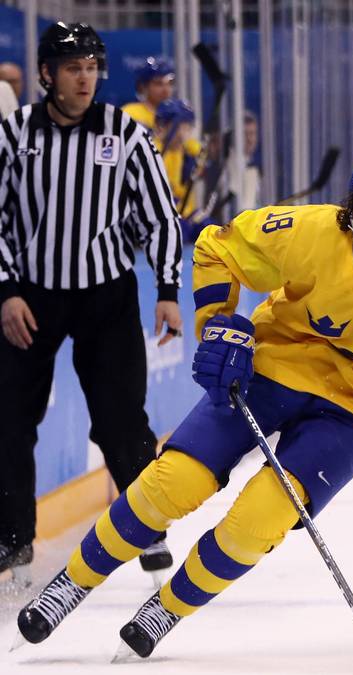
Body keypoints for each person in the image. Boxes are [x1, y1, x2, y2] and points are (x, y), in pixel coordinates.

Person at [15, 149, 353, 658]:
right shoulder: (308, 232)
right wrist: (216, 322)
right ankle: (73, 582)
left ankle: (169, 607)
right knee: (173, 482)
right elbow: (216, 248)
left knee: (261, 519)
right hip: (273, 369)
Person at [0, 22, 182, 587]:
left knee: (122, 419)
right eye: (73, 67)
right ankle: (12, 540)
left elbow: (159, 215)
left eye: (92, 67)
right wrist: (5, 289)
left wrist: (170, 292)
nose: (86, 78)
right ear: (47, 74)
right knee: (8, 421)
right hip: (30, 297)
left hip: (106, 295)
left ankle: (146, 528)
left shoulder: (125, 134)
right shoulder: (13, 133)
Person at [152, 98, 203, 224]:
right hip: (162, 217)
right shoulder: (152, 151)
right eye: (179, 127)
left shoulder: (190, 151)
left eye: (187, 127)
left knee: (208, 226)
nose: (183, 134)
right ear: (162, 126)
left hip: (188, 214)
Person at [122, 57, 175, 129]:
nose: (166, 89)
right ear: (144, 86)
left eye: (170, 83)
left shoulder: (176, 115)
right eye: (158, 83)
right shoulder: (130, 113)